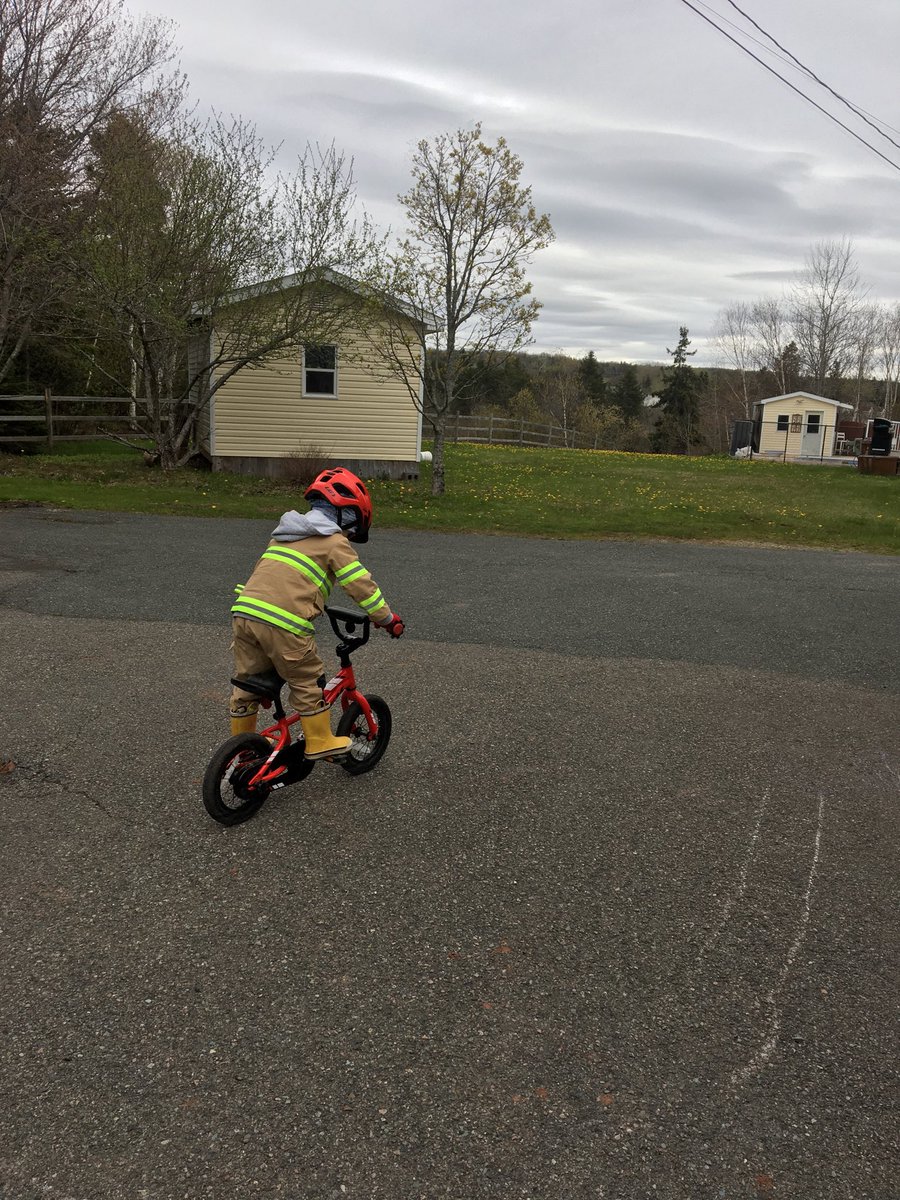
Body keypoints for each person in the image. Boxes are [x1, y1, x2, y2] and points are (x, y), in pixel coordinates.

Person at [229, 467, 404, 760]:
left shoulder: (281, 536)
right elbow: (361, 586)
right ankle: (320, 740)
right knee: (307, 679)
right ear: (344, 515)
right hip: (284, 623)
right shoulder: (334, 542)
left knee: (249, 683)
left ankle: (242, 748)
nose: (348, 533)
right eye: (350, 526)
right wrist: (386, 619)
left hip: (245, 614)